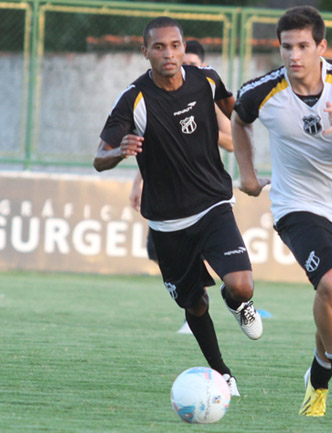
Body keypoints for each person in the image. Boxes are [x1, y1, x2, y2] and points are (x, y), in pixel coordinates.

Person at [231, 6, 332, 420]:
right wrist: (247, 175)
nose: (294, 55)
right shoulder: (262, 91)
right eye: (287, 47)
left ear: (321, 46)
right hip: (296, 206)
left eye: (303, 46)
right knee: (331, 284)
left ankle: (317, 381)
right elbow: (238, 119)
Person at [93, 16, 264, 397]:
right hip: (168, 222)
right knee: (194, 303)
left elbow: (238, 112)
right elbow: (99, 156)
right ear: (145, 52)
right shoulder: (134, 99)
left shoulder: (206, 79)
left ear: (184, 48)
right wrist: (119, 153)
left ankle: (237, 303)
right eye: (159, 47)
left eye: (175, 45)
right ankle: (221, 372)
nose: (168, 54)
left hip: (213, 203)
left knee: (241, 284)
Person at [128, 39, 236, 335]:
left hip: (204, 192)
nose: (180, 65)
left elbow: (232, 139)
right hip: (168, 195)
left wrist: (200, 128)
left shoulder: (207, 96)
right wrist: (140, 181)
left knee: (208, 249)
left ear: (199, 65)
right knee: (158, 252)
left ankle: (210, 301)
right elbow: (152, 147)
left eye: (189, 62)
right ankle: (195, 302)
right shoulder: (154, 98)